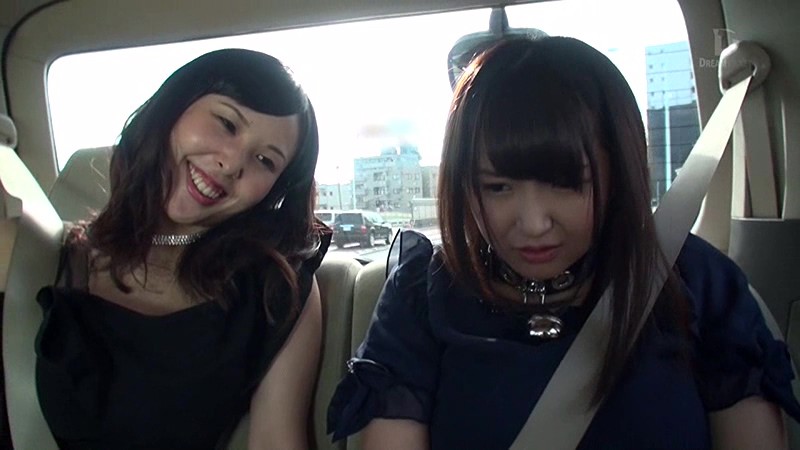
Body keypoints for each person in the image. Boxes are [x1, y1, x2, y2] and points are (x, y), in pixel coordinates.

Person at [327, 37, 800, 449]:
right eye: (497, 187)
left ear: (619, 172)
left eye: (567, 183)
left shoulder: (696, 281)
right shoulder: (422, 295)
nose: (533, 224)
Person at [35, 48, 329, 449]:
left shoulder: (276, 288)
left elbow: (276, 441)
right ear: (174, 107)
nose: (231, 163)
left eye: (264, 159)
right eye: (227, 124)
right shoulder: (46, 255)